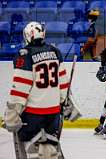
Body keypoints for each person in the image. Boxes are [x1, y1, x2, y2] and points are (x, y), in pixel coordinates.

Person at [3, 21, 71, 158]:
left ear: (28, 36)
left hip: (33, 115)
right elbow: (63, 84)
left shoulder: (25, 54)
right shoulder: (55, 51)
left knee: (33, 149)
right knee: (49, 148)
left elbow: (20, 89)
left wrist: (12, 114)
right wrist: (63, 102)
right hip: (53, 113)